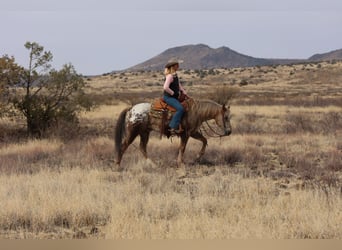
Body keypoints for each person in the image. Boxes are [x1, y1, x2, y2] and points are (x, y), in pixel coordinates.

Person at [163, 60, 188, 135]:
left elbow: (178, 85)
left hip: (174, 98)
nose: (178, 67)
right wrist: (172, 93)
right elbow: (165, 87)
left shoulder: (175, 75)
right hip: (169, 98)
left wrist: (184, 92)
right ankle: (172, 127)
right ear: (173, 67)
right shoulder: (170, 76)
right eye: (177, 65)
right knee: (180, 109)